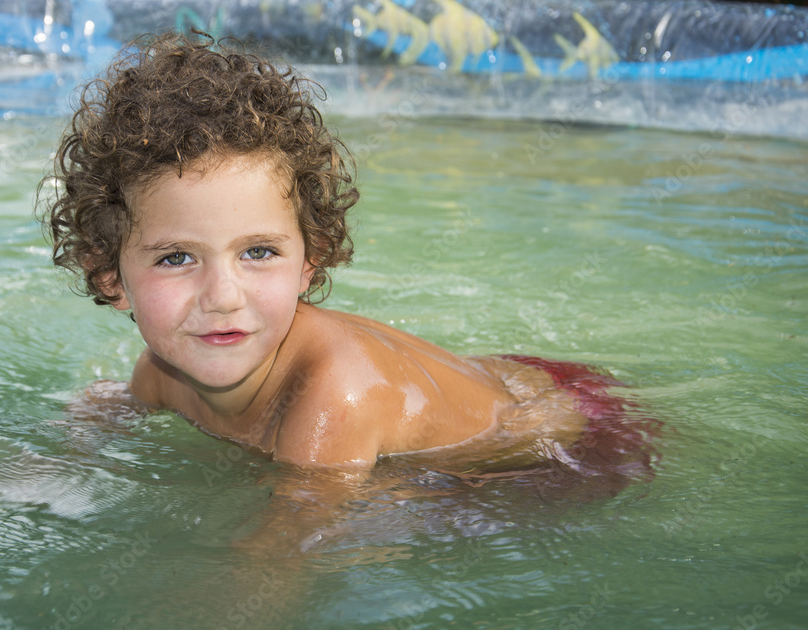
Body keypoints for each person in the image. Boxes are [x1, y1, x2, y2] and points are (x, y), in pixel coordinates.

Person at [39, 30, 655, 481]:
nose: (222, 295)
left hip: (557, 440)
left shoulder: (334, 397)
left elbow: (282, 560)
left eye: (258, 251)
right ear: (108, 276)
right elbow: (107, 415)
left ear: (312, 259)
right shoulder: (161, 374)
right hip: (475, 381)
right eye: (176, 258)